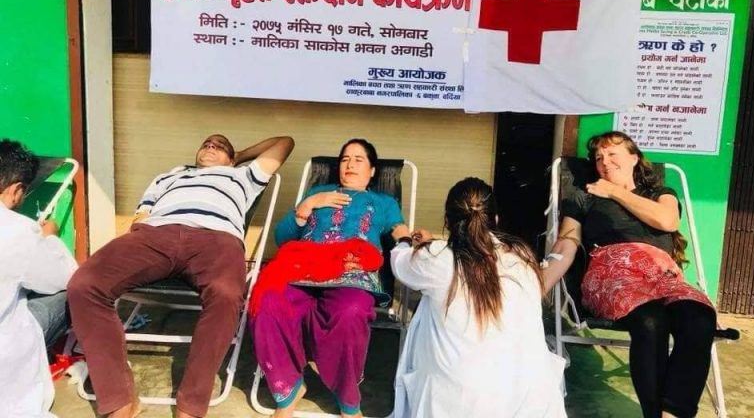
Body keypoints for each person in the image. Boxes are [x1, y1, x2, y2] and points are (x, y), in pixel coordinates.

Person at [68, 133, 294, 418]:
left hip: (217, 239)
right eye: (207, 144)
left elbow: (285, 143)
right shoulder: (170, 176)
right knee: (85, 284)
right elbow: (142, 214)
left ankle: (191, 406)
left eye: (220, 146)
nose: (211, 146)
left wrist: (238, 158)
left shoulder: (243, 176)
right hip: (157, 234)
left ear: (232, 159)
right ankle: (120, 400)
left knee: (226, 295)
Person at [543, 131, 716, 418]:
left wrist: (614, 192)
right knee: (650, 321)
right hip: (612, 273)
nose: (604, 162)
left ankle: (673, 413)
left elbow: (668, 221)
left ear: (634, 158)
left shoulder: (661, 194)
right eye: (598, 157)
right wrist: (540, 284)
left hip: (661, 275)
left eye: (612, 154)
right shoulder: (583, 197)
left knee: (700, 317)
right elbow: (567, 243)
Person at [250, 138, 410, 418]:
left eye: (358, 159)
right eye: (345, 159)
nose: (350, 165)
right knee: (266, 303)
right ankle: (288, 391)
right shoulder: (318, 192)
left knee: (350, 311)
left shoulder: (383, 202)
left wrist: (410, 239)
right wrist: (308, 205)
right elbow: (282, 237)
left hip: (350, 269)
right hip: (301, 267)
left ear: (372, 170)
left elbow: (399, 229)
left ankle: (348, 400)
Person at [390, 177, 566, 418]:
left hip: (455, 401)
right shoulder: (521, 257)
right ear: (495, 219)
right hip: (526, 399)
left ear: (447, 221)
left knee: (429, 308)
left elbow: (400, 264)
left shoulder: (437, 260)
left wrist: (404, 239)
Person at [0, 139, 78, 418]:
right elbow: (65, 278)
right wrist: (50, 239)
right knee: (74, 292)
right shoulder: (17, 229)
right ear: (16, 190)